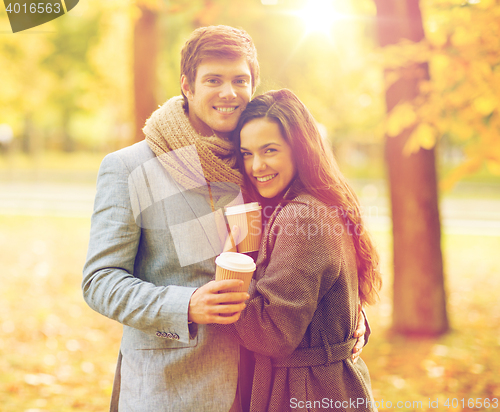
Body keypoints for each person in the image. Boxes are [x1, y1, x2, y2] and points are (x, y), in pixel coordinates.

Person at [82, 26, 367, 412]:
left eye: (239, 80)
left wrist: (343, 319)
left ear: (253, 84)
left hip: (262, 387)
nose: (228, 92)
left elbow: (300, 263)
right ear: (188, 85)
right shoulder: (130, 167)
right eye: (213, 80)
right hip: (172, 388)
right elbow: (100, 281)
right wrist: (185, 305)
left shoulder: (261, 163)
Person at [220, 89, 382, 412]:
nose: (256, 165)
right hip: (328, 385)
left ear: (300, 150)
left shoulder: (301, 215)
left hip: (306, 393)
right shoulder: (315, 203)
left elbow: (273, 333)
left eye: (270, 150)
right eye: (247, 154)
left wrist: (227, 279)